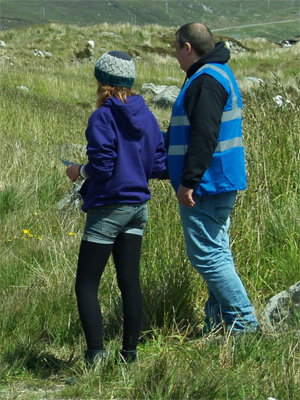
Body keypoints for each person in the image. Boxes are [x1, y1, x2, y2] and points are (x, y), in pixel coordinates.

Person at [66, 51, 167, 364]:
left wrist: (78, 171)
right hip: (138, 206)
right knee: (130, 283)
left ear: (102, 80)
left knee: (86, 285)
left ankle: (95, 360)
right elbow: (158, 165)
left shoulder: (102, 116)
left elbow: (103, 165)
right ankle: (129, 359)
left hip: (109, 207)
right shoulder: (148, 115)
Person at [166, 22, 259, 335]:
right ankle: (220, 326)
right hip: (219, 179)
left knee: (208, 258)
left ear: (188, 47)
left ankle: (244, 324)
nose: (175, 55)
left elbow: (204, 135)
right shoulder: (218, 73)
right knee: (217, 254)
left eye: (176, 48)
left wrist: (188, 181)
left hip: (207, 184)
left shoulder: (205, 81)